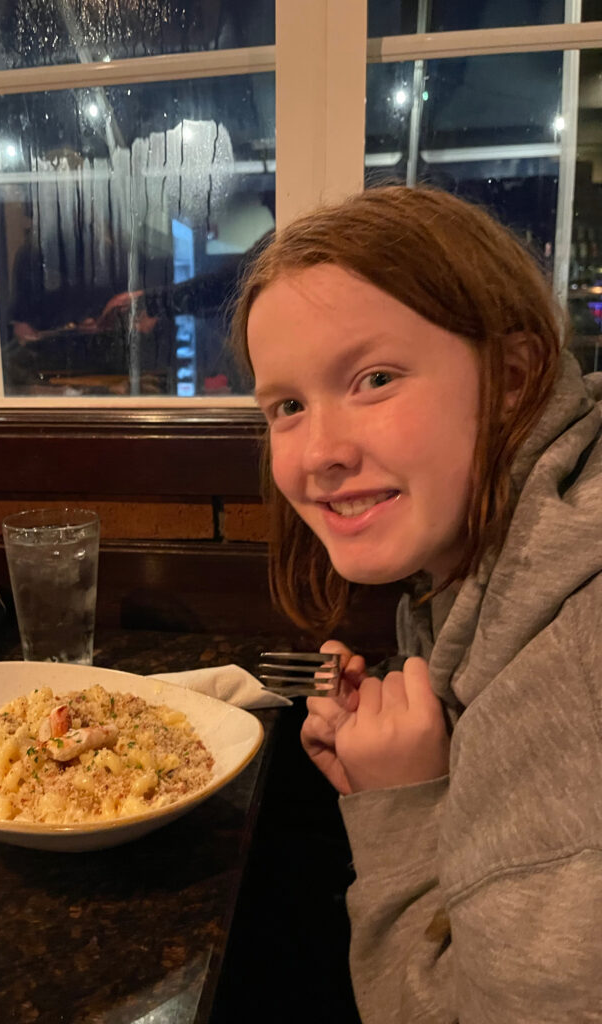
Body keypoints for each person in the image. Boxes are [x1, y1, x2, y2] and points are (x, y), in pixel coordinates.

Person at [230, 185, 602, 1021]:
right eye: (287, 406)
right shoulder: (489, 549)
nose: (319, 453)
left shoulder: (570, 682)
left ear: (512, 377)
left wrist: (400, 807)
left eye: (374, 379)